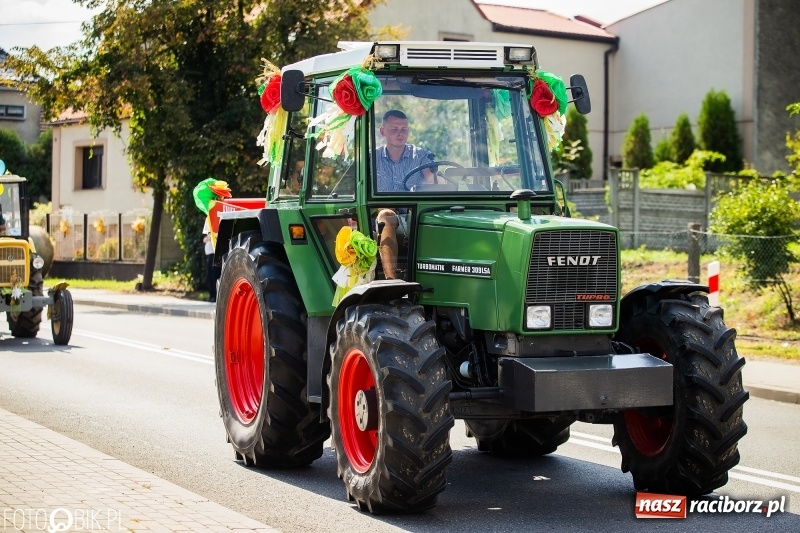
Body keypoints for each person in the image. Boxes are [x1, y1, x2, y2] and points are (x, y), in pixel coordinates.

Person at [374, 110, 436, 279]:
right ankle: (391, 280)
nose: (400, 134)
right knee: (387, 216)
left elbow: (432, 181)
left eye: (404, 129)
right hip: (384, 212)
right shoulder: (372, 158)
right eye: (394, 129)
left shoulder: (420, 156)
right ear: (383, 131)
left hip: (416, 212)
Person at [203, 228, 219, 302]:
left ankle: (215, 296)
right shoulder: (209, 230)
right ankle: (211, 295)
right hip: (209, 255)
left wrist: (209, 238)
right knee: (209, 276)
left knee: (214, 276)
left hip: (214, 255)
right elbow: (204, 239)